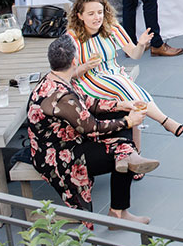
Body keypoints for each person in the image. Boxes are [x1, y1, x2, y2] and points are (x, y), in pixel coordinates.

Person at [27, 35, 158, 224]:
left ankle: (126, 157)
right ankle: (119, 213)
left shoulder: (56, 78)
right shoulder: (61, 96)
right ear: (74, 61)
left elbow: (88, 103)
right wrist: (129, 122)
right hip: (60, 156)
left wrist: (122, 105)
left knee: (122, 123)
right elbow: (91, 128)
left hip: (71, 138)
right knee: (123, 148)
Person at [67, 0, 183, 146]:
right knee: (122, 85)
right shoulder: (72, 37)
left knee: (123, 85)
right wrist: (86, 66)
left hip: (114, 74)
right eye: (91, 14)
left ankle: (136, 150)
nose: (97, 17)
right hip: (88, 80)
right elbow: (69, 75)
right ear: (80, 16)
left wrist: (141, 45)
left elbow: (134, 55)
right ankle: (164, 121)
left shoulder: (112, 27)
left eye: (100, 12)